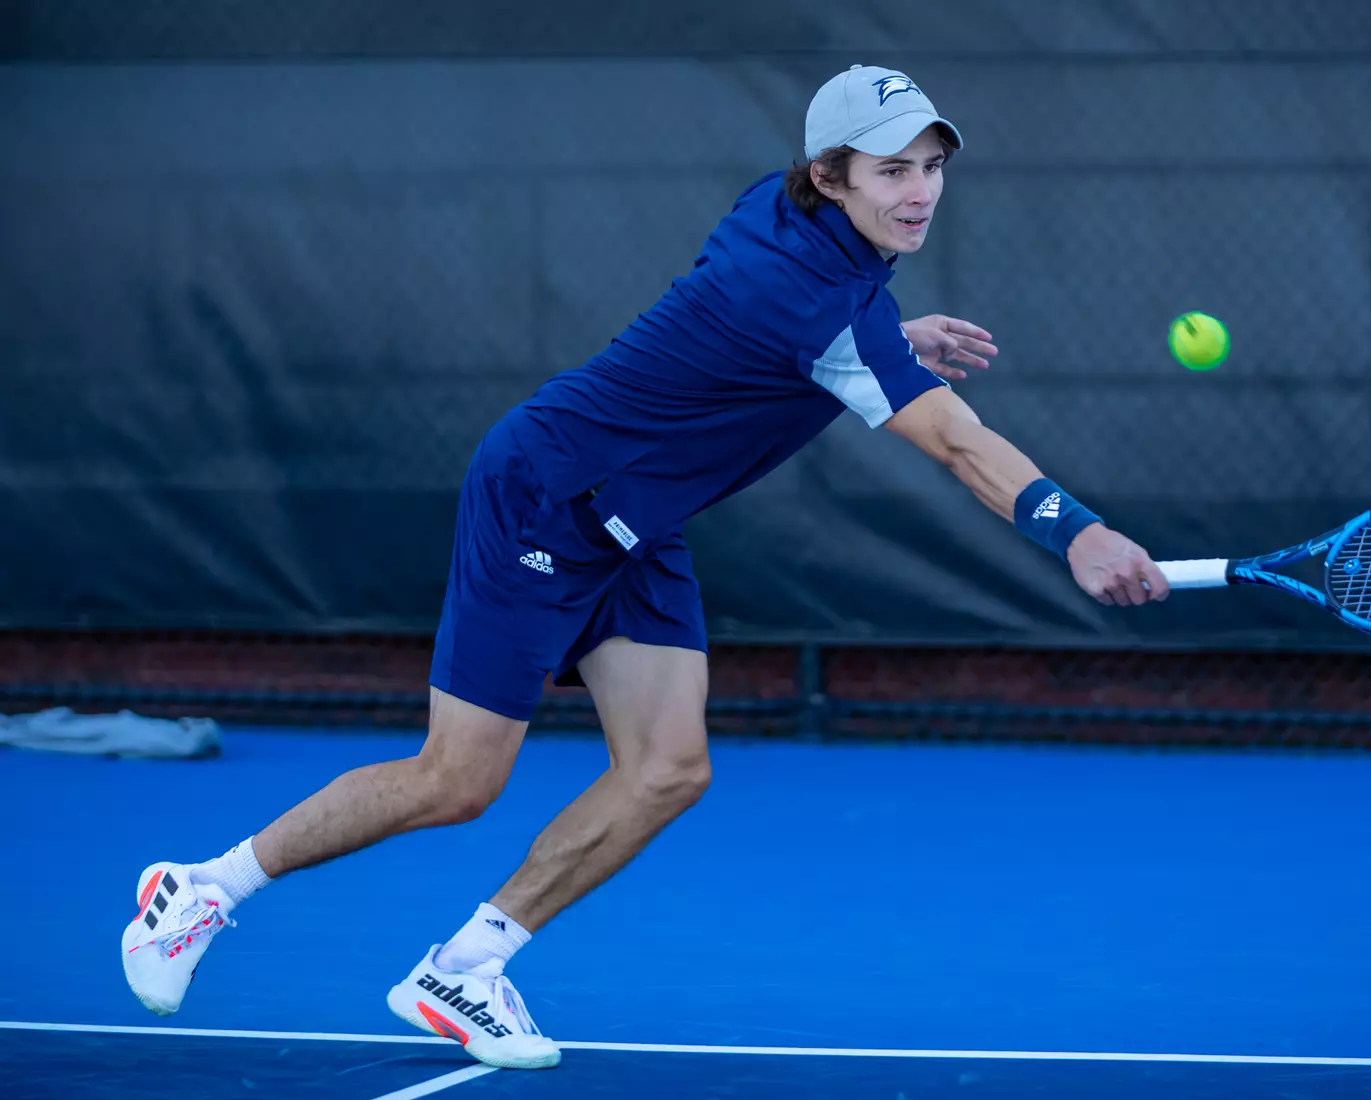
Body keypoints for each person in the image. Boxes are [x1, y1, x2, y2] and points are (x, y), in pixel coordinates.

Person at [119, 64, 1170, 1070]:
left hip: (636, 517)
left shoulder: (793, 221)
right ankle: (202, 888)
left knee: (668, 768)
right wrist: (1075, 530)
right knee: (456, 781)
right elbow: (954, 440)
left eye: (932, 165)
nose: (921, 190)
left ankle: (464, 968)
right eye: (892, 169)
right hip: (545, 490)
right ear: (830, 175)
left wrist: (891, 335)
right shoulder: (813, 300)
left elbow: (828, 332)